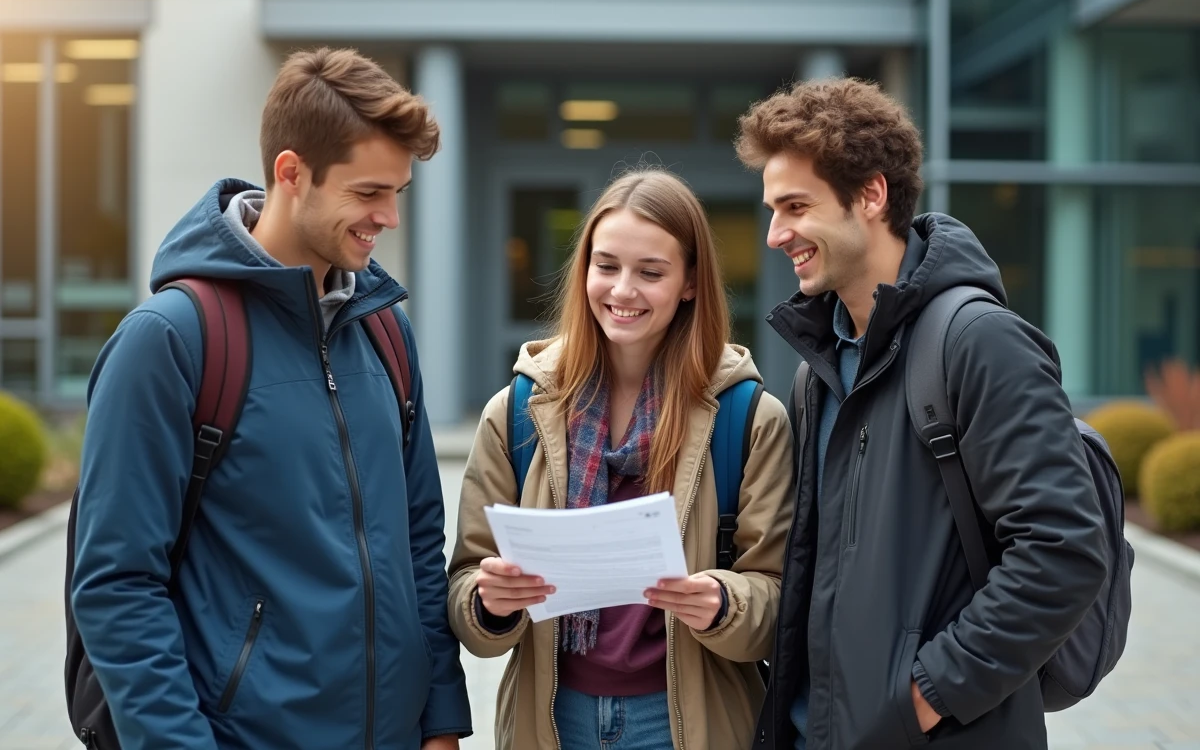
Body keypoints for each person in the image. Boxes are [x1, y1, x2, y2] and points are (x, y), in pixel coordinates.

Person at [70, 47, 471, 749]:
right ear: (292, 173)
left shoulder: (385, 332)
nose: (389, 218)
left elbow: (415, 542)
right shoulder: (170, 341)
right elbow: (117, 586)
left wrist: (440, 718)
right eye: (368, 192)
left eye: (398, 194)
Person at [736, 78, 1109, 749]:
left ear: (872, 195)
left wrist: (924, 700)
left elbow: (1064, 551)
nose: (775, 234)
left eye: (795, 206)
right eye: (772, 209)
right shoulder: (814, 370)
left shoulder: (978, 342)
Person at [446, 169, 794, 750]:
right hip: (553, 721)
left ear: (689, 283)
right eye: (606, 266)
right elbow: (465, 587)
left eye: (651, 273)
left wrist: (722, 603)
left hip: (691, 724)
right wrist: (489, 603)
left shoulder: (748, 418)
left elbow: (780, 599)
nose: (622, 291)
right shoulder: (517, 411)